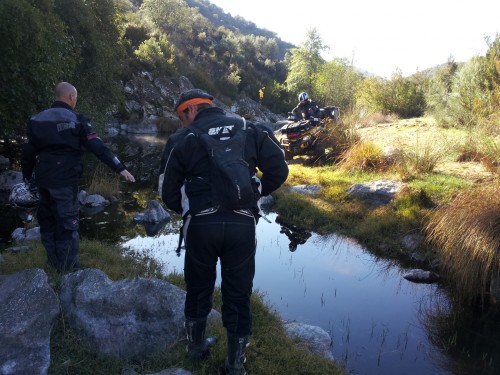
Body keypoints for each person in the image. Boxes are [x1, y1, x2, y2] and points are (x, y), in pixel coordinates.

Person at [160, 89, 288, 374]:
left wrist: (186, 208)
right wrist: (254, 194)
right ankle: (235, 365)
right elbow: (279, 170)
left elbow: (166, 192)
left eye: (181, 117)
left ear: (190, 111)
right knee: (238, 295)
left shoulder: (182, 138)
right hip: (241, 225)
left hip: (201, 225)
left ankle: (195, 349)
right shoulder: (250, 128)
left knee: (198, 288)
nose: (182, 123)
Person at [21, 82, 135, 272]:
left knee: (48, 222)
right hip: (65, 180)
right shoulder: (77, 120)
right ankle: (70, 271)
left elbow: (28, 153)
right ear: (71, 97)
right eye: (76, 98)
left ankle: (53, 264)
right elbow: (98, 147)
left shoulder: (36, 120)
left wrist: (26, 179)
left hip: (43, 179)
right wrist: (120, 167)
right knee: (67, 224)